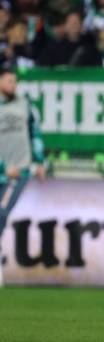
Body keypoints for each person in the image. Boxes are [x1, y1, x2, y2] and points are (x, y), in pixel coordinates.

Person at [0, 68, 46, 285]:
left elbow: (34, 134)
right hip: (3, 170)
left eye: (15, 81)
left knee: (1, 212)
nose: (13, 85)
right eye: (9, 81)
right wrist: (2, 166)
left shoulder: (24, 105)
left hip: (18, 172)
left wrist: (39, 162)